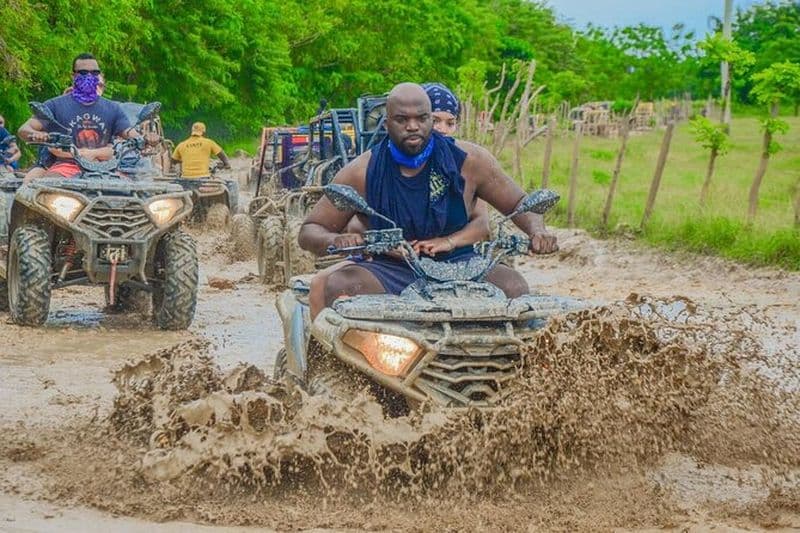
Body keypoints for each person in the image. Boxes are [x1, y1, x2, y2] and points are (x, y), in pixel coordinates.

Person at [300, 82, 557, 314]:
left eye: (422, 118)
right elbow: (310, 230)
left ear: (429, 120)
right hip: (392, 269)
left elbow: (518, 203)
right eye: (402, 119)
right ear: (387, 122)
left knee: (513, 285)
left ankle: (507, 363)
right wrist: (337, 239)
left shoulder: (470, 161)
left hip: (462, 265)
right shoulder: (361, 171)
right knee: (341, 285)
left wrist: (537, 230)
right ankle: (340, 366)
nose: (413, 126)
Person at [18, 53, 139, 178]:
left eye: (94, 73)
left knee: (132, 189)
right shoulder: (55, 105)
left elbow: (130, 132)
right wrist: (36, 135)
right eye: (83, 73)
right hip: (65, 167)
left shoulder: (112, 108)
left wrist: (146, 139)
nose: (89, 76)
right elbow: (23, 130)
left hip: (106, 168)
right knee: (43, 186)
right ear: (74, 75)